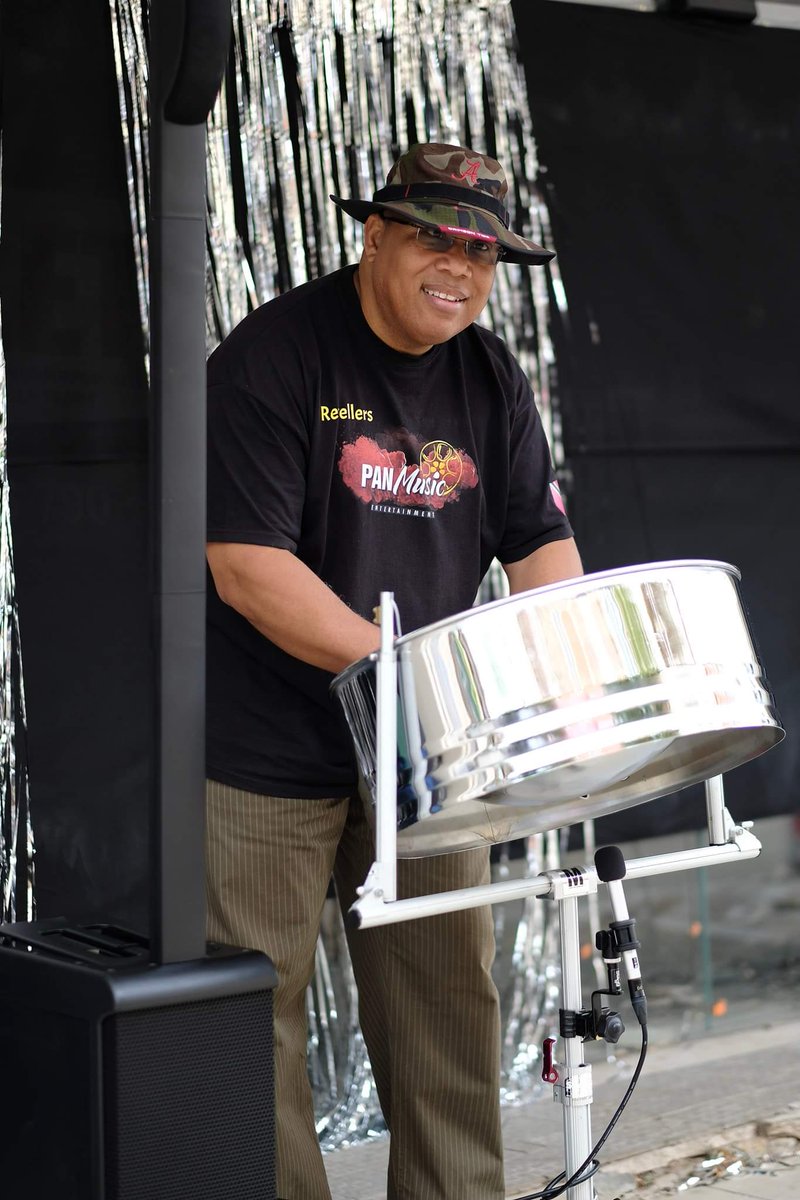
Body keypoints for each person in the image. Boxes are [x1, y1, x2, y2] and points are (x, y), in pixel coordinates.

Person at [205, 142, 583, 1200]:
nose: (458, 268)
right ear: (373, 234)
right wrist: (411, 669)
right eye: (433, 236)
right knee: (254, 1015)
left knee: (445, 1011)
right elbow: (246, 568)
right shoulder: (275, 356)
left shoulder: (489, 378)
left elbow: (538, 544)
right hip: (266, 745)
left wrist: (561, 668)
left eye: (482, 251)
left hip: (424, 749)